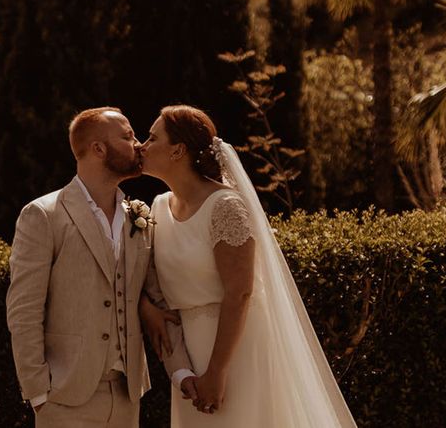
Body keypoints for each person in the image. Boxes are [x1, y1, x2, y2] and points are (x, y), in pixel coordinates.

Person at [138, 105, 357, 427]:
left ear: (178, 151)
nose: (142, 146)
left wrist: (217, 371)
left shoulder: (225, 206)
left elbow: (239, 292)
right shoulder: (157, 207)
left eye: (152, 138)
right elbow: (147, 279)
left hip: (235, 351)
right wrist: (146, 308)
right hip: (189, 352)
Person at [6, 107, 196, 428]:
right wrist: (38, 391)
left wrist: (181, 370)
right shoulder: (43, 215)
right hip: (64, 397)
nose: (138, 144)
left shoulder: (140, 217)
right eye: (127, 136)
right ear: (98, 149)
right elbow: (24, 310)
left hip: (127, 396)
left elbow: (155, 301)